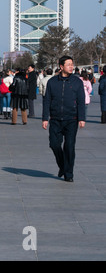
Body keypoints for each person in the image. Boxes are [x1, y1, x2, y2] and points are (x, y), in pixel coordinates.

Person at [42, 55, 86, 183]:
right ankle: (62, 165)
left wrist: (81, 118)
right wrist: (45, 118)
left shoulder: (77, 82)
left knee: (69, 147)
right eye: (68, 64)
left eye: (72, 64)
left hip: (71, 119)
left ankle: (68, 173)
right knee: (54, 144)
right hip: (55, 119)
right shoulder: (52, 82)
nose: (71, 67)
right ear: (61, 67)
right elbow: (47, 101)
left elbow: (81, 101)